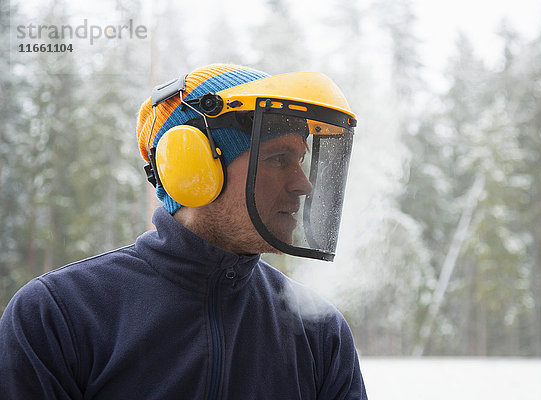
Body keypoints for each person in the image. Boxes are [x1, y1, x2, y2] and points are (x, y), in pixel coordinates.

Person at [0, 64, 367, 399]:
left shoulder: (321, 334)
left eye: (299, 161)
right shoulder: (59, 314)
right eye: (277, 159)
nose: (304, 185)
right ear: (194, 167)